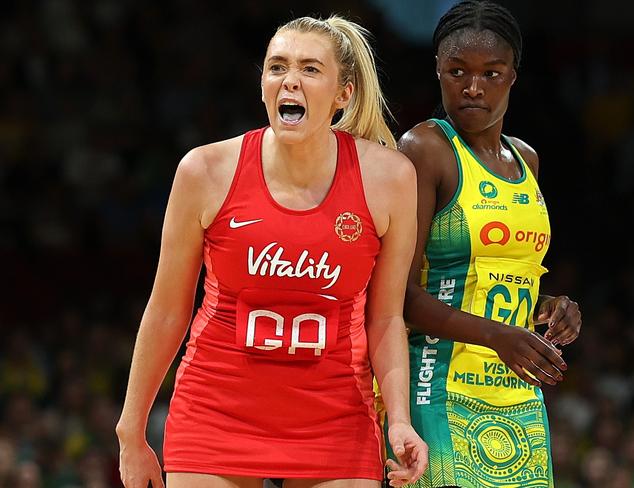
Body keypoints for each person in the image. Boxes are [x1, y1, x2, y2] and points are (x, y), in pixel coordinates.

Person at [115, 15, 428, 488]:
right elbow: (166, 310)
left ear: (343, 94)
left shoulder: (390, 179)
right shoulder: (205, 170)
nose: (290, 81)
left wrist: (399, 418)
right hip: (216, 411)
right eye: (277, 67)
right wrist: (130, 430)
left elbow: (384, 318)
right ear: (263, 84)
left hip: (335, 416)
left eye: (309, 69)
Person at [396, 1, 582, 487]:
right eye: (457, 71)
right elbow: (401, 296)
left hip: (517, 393)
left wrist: (549, 308)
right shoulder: (426, 148)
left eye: (491, 73)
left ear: (513, 77)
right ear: (438, 70)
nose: (473, 87)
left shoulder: (526, 159)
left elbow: (497, 278)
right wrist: (497, 336)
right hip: (437, 387)